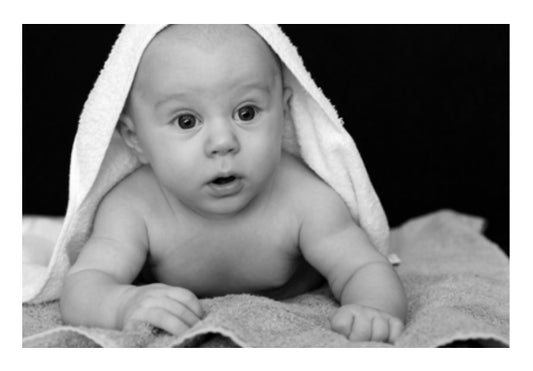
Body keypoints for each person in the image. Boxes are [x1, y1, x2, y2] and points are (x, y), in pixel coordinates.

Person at [59, 24, 407, 343]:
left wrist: (372, 308)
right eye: (186, 120)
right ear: (135, 138)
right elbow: (85, 284)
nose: (223, 141)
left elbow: (363, 266)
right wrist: (121, 304)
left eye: (247, 113)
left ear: (285, 112)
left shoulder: (304, 199)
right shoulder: (134, 208)